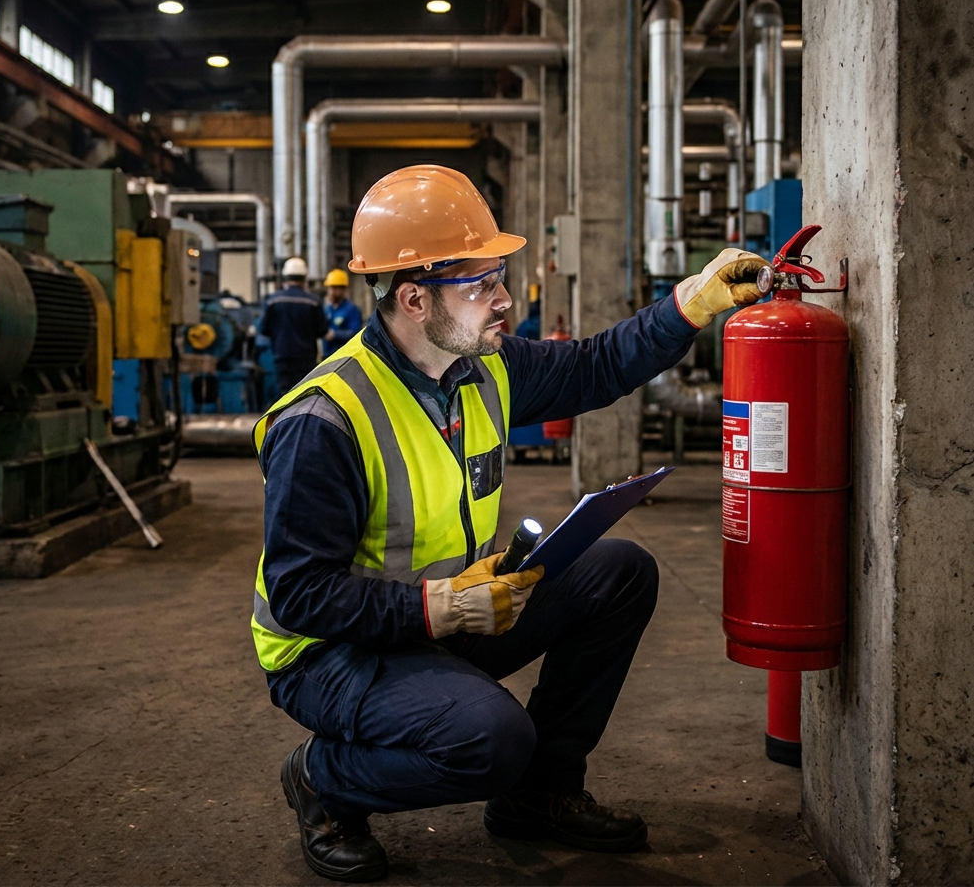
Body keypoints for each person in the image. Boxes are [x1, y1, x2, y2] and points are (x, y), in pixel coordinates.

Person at [251, 165, 766, 882]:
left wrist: (690, 304)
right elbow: (300, 596)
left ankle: (540, 797)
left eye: (501, 277)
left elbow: (595, 365)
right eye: (481, 284)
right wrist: (442, 605)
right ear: (413, 297)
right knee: (491, 740)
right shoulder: (324, 421)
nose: (503, 301)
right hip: (334, 654)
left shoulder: (483, 366)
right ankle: (324, 780)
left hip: (448, 616)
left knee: (620, 573)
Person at [259, 256, 329, 393]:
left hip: (282, 356)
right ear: (305, 279)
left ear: (285, 278)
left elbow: (264, 329)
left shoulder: (273, 301)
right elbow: (322, 331)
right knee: (303, 394)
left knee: (284, 395)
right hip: (306, 358)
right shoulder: (313, 302)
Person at [321, 268, 363, 357]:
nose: (332, 292)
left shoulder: (352, 310)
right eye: (330, 288)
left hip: (343, 357)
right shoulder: (327, 308)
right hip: (326, 356)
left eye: (335, 288)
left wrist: (335, 335)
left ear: (343, 289)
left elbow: (355, 333)